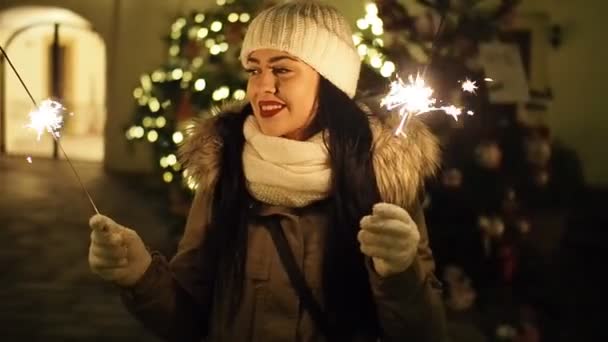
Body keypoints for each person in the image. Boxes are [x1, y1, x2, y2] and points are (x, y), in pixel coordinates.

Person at [88, 1, 447, 341]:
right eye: (254, 69)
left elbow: (424, 332)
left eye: (282, 69)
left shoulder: (382, 176)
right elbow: (189, 318)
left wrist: (400, 272)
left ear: (330, 81)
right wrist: (140, 275)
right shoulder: (226, 168)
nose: (262, 86)